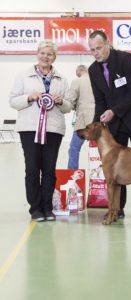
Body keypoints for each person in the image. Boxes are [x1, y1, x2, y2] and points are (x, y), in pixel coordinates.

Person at [88, 30, 131, 222]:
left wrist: (114, 111)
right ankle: (118, 209)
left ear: (108, 43)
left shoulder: (126, 59)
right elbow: (100, 101)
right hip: (115, 124)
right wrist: (94, 129)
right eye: (92, 50)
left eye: (99, 48)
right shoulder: (93, 70)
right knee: (117, 169)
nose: (96, 53)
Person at [9, 39, 72, 222]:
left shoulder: (62, 79)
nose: (45, 57)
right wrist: (29, 97)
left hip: (54, 129)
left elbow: (68, 107)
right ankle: (35, 209)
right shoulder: (23, 75)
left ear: (54, 57)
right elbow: (13, 101)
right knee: (32, 168)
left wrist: (61, 102)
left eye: (49, 54)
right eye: (43, 53)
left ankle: (47, 207)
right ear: (37, 54)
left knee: (49, 170)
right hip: (29, 129)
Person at [67, 64, 95, 169]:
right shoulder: (97, 80)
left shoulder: (77, 81)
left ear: (79, 71)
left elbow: (70, 100)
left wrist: (73, 106)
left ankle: (72, 176)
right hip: (99, 121)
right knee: (101, 150)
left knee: (74, 148)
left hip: (83, 122)